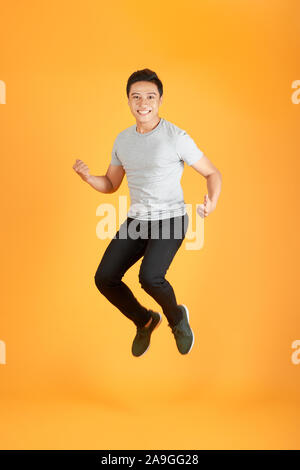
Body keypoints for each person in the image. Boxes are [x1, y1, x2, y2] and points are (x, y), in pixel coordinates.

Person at [72, 68, 222, 358]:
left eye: (150, 96)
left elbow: (212, 172)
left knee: (150, 277)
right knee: (105, 278)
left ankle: (177, 318)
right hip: (138, 221)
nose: (143, 102)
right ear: (128, 101)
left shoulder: (175, 137)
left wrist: (212, 200)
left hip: (171, 219)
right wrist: (90, 178)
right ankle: (145, 320)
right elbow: (111, 184)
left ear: (160, 100)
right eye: (136, 96)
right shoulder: (123, 140)